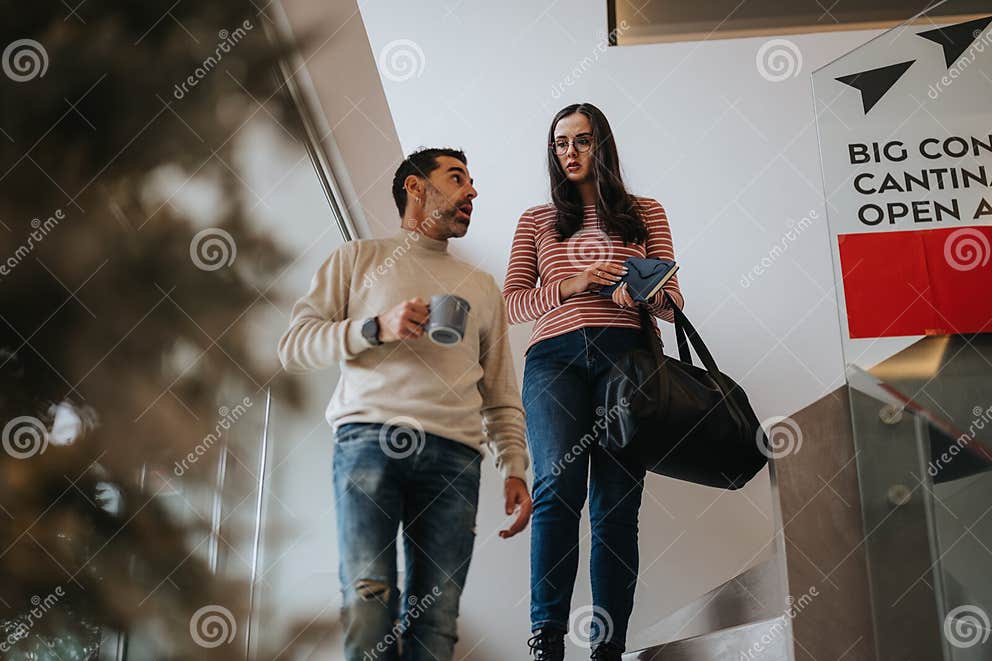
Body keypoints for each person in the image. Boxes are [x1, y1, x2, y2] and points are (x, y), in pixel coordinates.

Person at [278, 148, 533, 661]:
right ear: (416, 187)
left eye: (472, 182)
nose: (472, 193)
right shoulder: (357, 259)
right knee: (368, 604)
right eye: (457, 179)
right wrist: (376, 328)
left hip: (455, 458)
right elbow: (295, 346)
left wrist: (515, 467)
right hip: (369, 441)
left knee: (435, 624)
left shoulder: (482, 287)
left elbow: (501, 394)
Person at [503, 103, 685, 661]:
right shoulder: (536, 220)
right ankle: (547, 638)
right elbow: (511, 303)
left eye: (583, 141)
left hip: (624, 361)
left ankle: (608, 648)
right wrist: (573, 284)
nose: (571, 152)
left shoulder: (644, 212)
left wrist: (644, 296)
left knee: (615, 504)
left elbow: (675, 308)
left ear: (602, 146)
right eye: (561, 143)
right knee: (557, 489)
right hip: (553, 359)